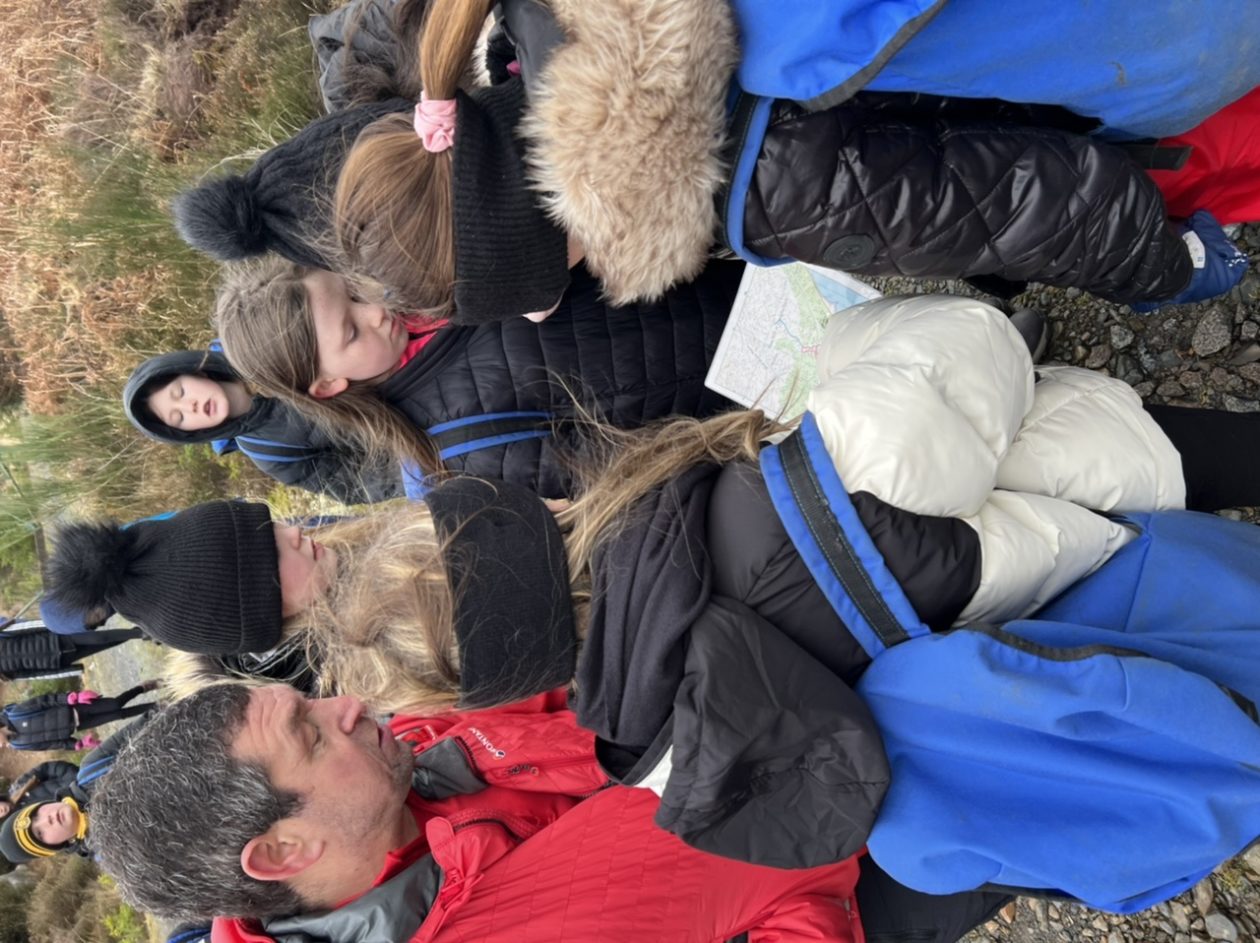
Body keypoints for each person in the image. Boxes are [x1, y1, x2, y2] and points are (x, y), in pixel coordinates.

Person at [221, 295, 1260, 910]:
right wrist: (842, 343)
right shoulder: (762, 507)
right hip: (1123, 530)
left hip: (1096, 666)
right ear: (537, 518)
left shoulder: (658, 756)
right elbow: (972, 346)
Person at [325, 0, 1249, 323]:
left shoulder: (761, 188)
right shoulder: (591, 28)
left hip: (1170, 45)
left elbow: (1047, 206)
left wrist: (1173, 271)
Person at [87, 682, 1005, 943]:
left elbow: (590, 698)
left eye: (309, 699)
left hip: (811, 719)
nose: (347, 705)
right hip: (866, 864)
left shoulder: (412, 754)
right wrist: (813, 852)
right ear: (284, 849)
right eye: (309, 732)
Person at [213, 255, 740, 498]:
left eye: (352, 293)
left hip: (730, 273)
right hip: (745, 379)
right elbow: (629, 464)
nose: (374, 311)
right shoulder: (456, 447)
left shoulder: (434, 269)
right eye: (351, 331)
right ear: (327, 386)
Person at [124, 347, 403, 504]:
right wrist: (416, 464)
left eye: (181, 392)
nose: (191, 406)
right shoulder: (268, 452)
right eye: (180, 418)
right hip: (415, 433)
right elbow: (358, 484)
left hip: (407, 359)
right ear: (188, 434)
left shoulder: (256, 344)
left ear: (193, 371)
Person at [0, 717, 148, 864]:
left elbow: (149, 720)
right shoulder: (115, 857)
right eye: (39, 834)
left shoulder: (92, 769)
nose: (47, 820)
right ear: (51, 848)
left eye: (36, 815)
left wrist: (75, 778)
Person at [0, 682, 158, 752]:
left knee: (115, 704)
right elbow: (52, 744)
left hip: (75, 708)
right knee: (119, 714)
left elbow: (45, 701)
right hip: (78, 725)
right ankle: (158, 706)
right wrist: (77, 744)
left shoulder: (16, 714)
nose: (1, 746)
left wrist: (70, 698)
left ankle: (142, 687)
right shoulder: (19, 745)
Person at [0, 619, 144, 683]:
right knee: (103, 645)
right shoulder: (4, 675)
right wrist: (69, 671)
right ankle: (135, 632)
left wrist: (57, 624)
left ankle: (141, 633)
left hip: (59, 637)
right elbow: (36, 675)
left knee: (100, 638)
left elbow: (29, 627)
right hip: (61, 660)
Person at [8, 759, 79, 809]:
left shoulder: (18, 787)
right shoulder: (20, 823)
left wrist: (74, 776)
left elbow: (46, 769)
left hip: (78, 784)